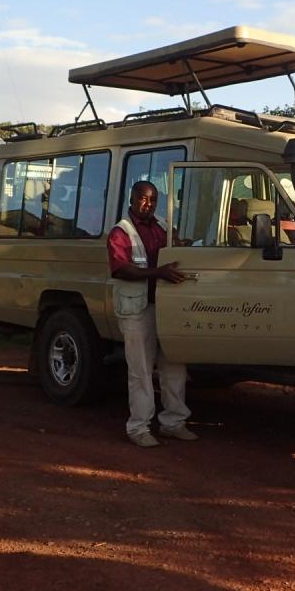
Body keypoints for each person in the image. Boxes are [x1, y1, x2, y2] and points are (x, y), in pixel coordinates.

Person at [107, 181, 194, 447]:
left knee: (175, 365)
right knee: (141, 371)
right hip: (137, 309)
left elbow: (174, 249)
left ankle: (173, 422)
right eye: (143, 198)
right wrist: (159, 272)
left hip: (165, 306)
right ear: (132, 199)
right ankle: (139, 428)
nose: (148, 204)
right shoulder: (121, 231)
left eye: (153, 199)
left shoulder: (162, 226)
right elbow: (121, 269)